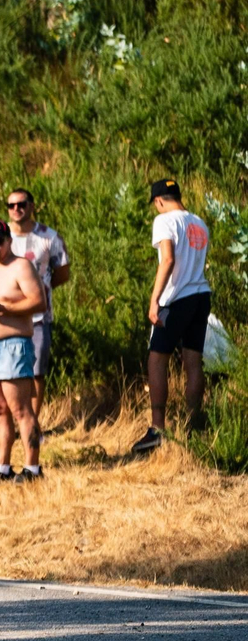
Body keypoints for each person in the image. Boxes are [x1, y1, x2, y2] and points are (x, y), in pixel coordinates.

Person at [0, 188, 70, 433]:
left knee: (35, 373)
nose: (16, 209)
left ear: (32, 205)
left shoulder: (48, 237)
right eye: (11, 205)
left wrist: (35, 290)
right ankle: (2, 423)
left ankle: (30, 425)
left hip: (37, 317)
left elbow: (62, 272)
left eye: (22, 204)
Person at [133, 178, 213, 454]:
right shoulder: (199, 223)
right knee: (193, 362)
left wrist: (155, 300)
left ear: (158, 201)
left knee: (157, 359)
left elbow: (167, 259)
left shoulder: (165, 221)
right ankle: (192, 428)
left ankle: (157, 429)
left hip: (175, 299)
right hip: (201, 296)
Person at [0, 221, 46, 482]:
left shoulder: (21, 266)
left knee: (21, 409)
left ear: (8, 241)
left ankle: (32, 468)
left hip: (13, 346)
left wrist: (4, 309)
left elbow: (39, 302)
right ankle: (2, 467)